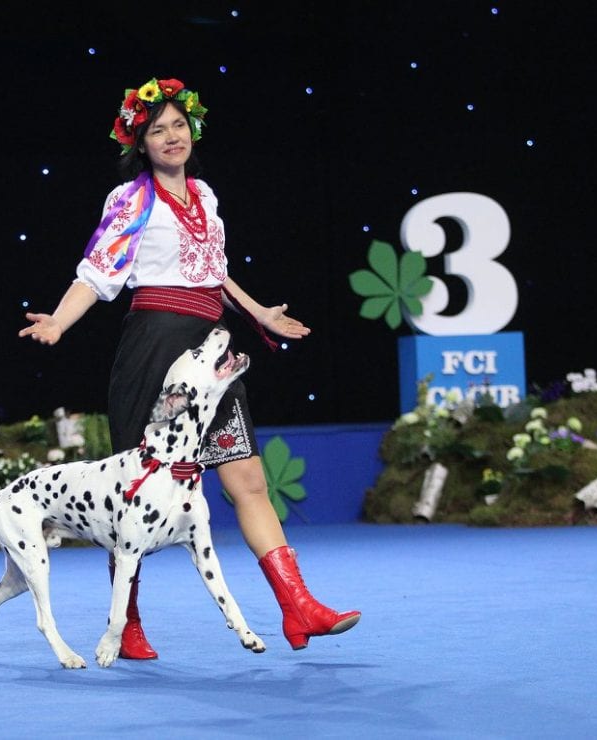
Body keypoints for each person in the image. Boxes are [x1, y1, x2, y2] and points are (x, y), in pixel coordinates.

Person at [19, 76, 359, 657]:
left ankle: (298, 608)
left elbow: (213, 272)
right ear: (141, 142)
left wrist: (260, 315)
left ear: (192, 130)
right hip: (154, 345)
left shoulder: (205, 195)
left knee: (247, 478)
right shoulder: (130, 199)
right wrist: (58, 319)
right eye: (158, 130)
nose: (171, 136)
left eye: (179, 125)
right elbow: (96, 272)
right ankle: (125, 624)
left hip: (210, 350)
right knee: (136, 491)